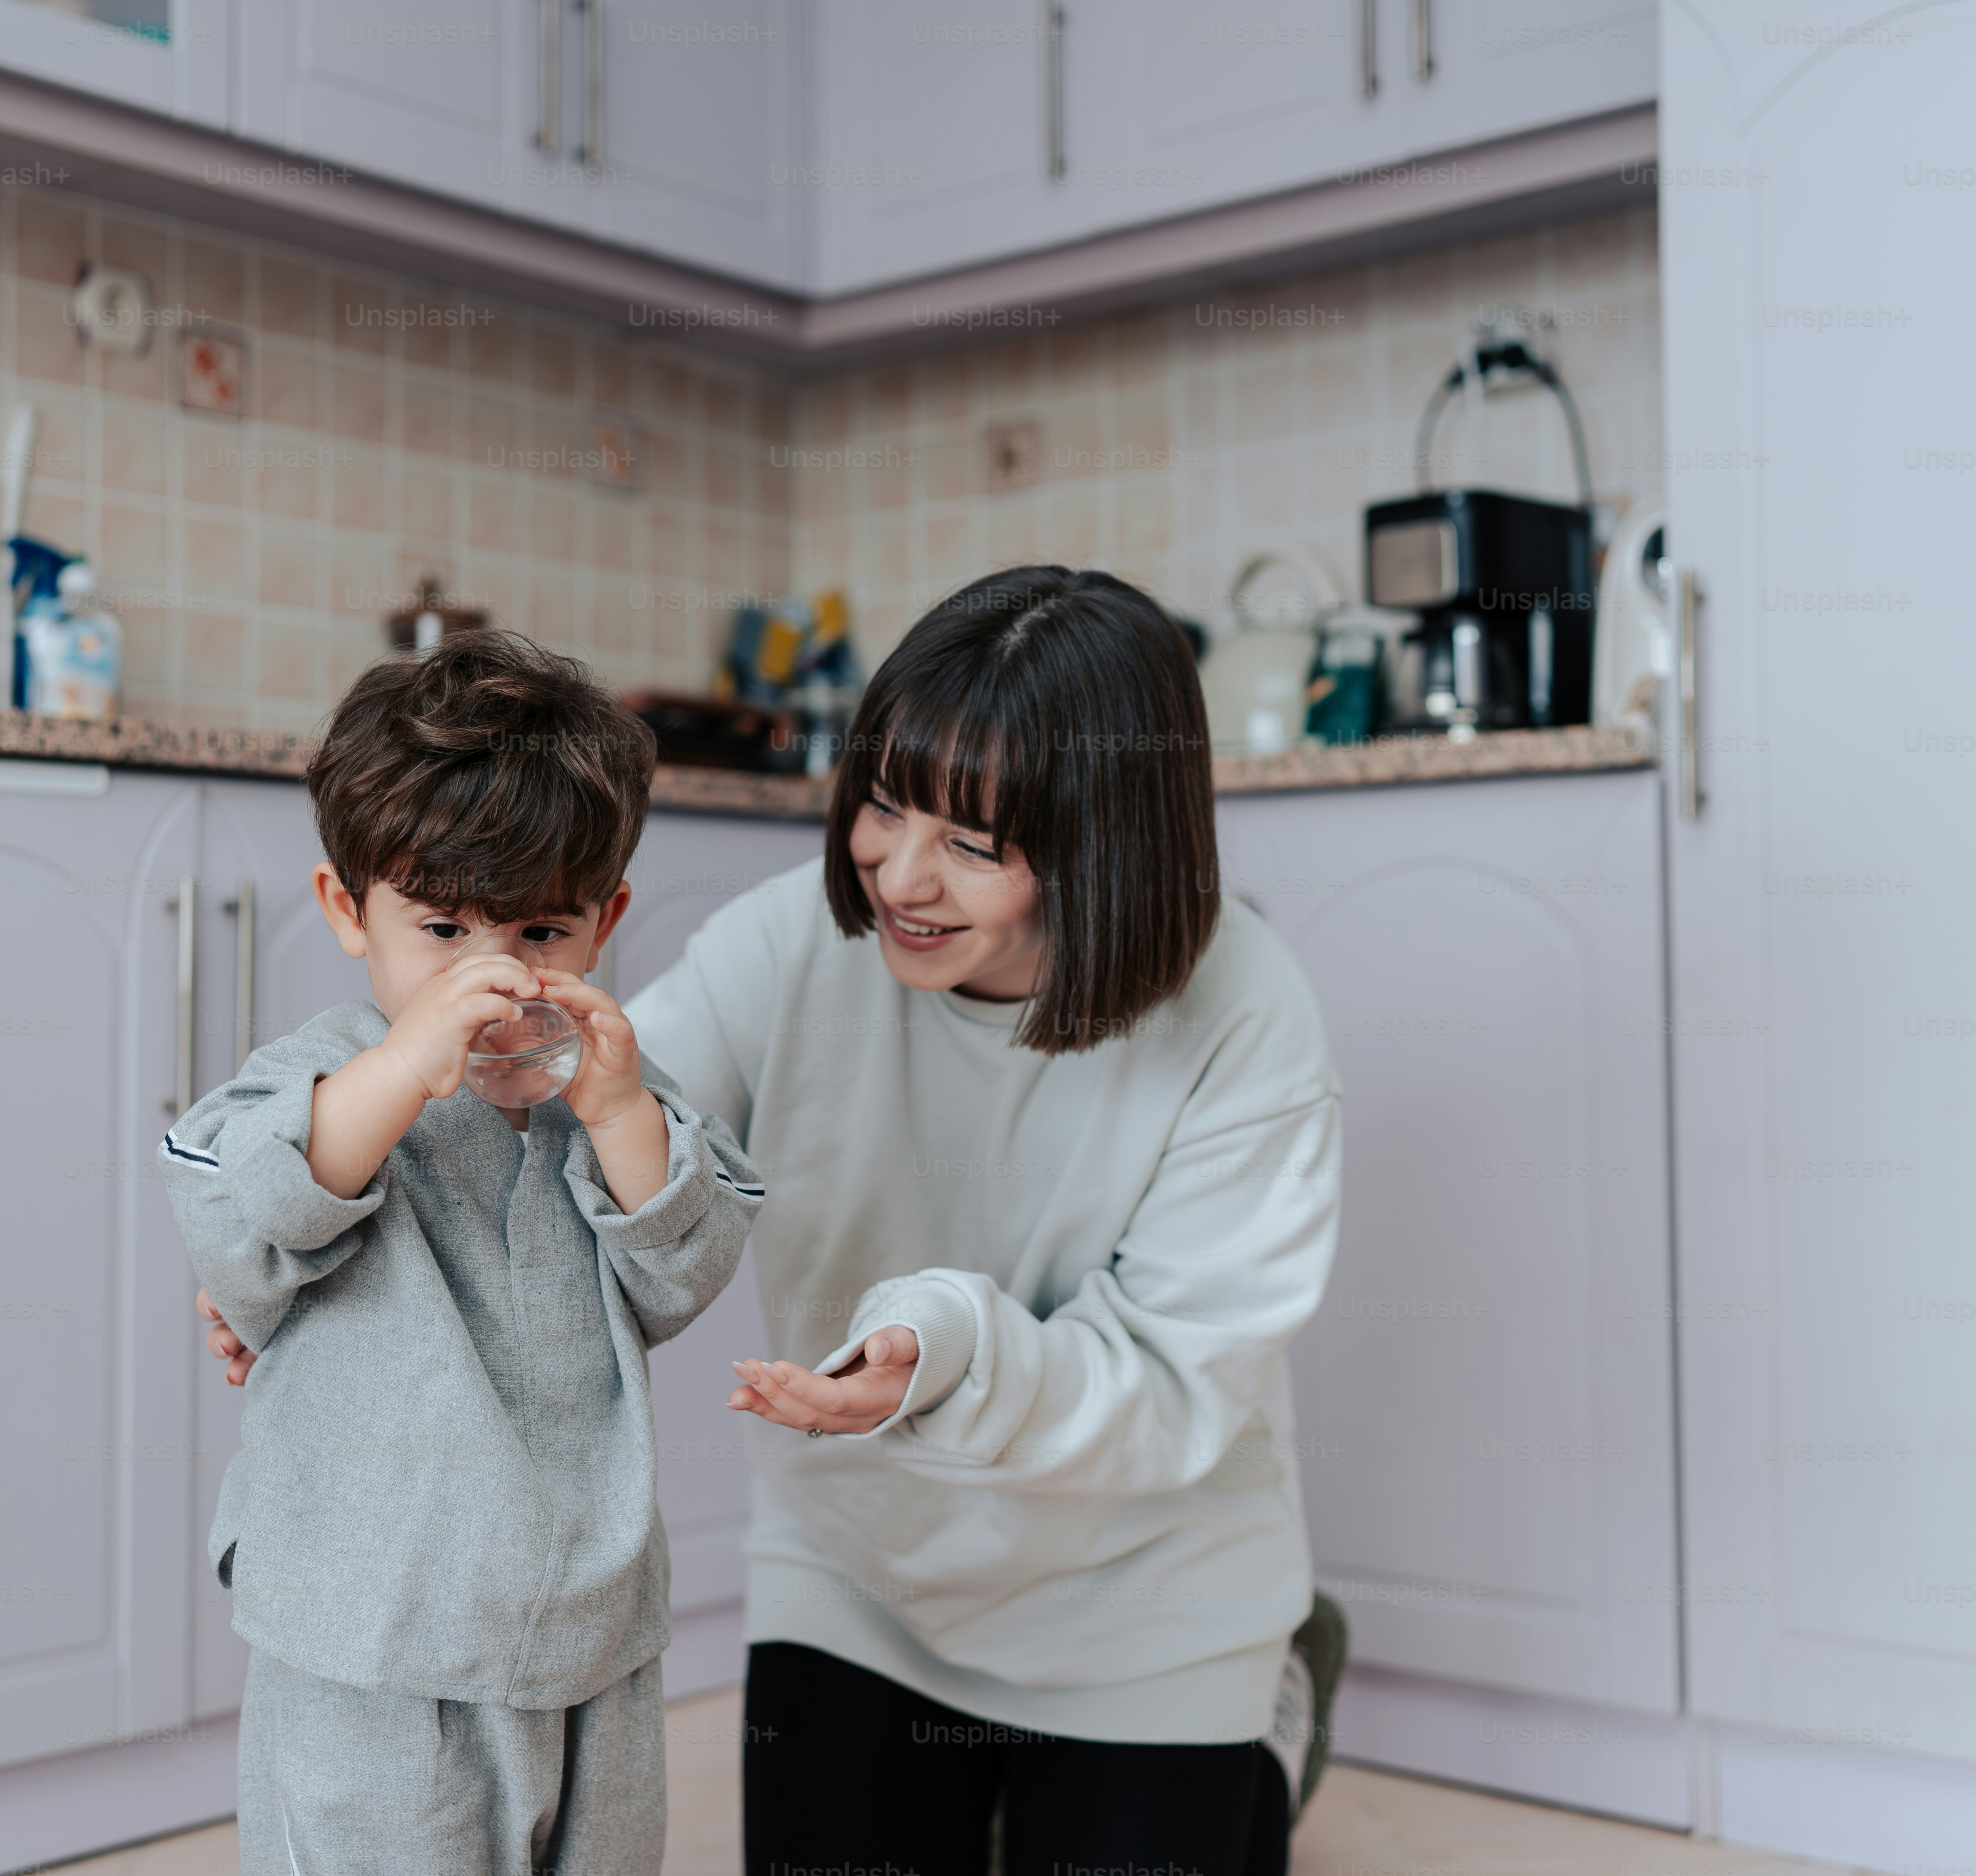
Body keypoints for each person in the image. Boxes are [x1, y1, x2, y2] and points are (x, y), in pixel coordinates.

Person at [201, 567, 1346, 1874]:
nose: (900, 875)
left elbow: (1171, 1375)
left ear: (1104, 841)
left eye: (973, 843)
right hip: (860, 1576)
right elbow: (568, 1116)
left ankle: (1268, 1707)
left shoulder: (1247, 1011)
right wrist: (294, 1220)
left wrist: (950, 1351)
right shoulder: (799, 940)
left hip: (1148, 1599)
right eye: (884, 803)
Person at [161, 631, 765, 1876]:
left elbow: (684, 1268)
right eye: (441, 928)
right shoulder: (318, 1076)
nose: (492, 976)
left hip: (591, 1634)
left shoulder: (617, 1088)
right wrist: (400, 1069)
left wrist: (616, 1115)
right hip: (370, 1637)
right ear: (346, 910)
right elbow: (244, 1212)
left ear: (606, 923)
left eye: (542, 929)